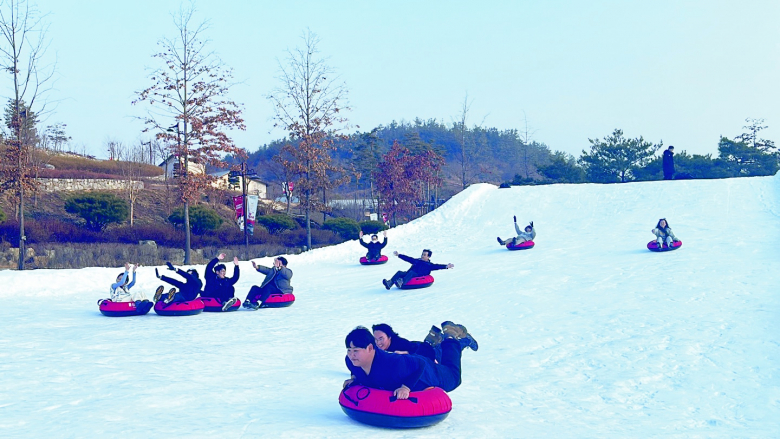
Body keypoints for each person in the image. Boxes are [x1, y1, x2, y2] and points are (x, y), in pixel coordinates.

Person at [342, 322, 478, 399]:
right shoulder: (351, 362)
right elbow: (355, 369)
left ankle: (451, 336)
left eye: (356, 351)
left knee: (453, 378)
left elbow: (420, 364)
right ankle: (434, 342)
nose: (351, 355)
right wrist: (354, 378)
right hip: (412, 363)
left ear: (370, 348)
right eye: (349, 350)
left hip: (427, 373)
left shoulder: (392, 364)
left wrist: (406, 387)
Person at [382, 250, 454, 290]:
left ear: (428, 257)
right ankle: (389, 283)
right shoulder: (417, 261)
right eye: (422, 254)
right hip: (410, 274)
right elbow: (408, 259)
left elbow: (438, 266)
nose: (423, 256)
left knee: (412, 273)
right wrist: (399, 255)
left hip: (418, 275)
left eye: (425, 255)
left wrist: (446, 266)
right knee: (400, 272)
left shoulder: (430, 265)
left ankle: (401, 282)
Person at [372, 323, 438, 362]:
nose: (378, 343)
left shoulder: (401, 345)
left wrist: (408, 353)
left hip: (425, 350)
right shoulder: (374, 347)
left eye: (381, 339)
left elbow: (421, 353)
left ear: (389, 337)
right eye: (376, 339)